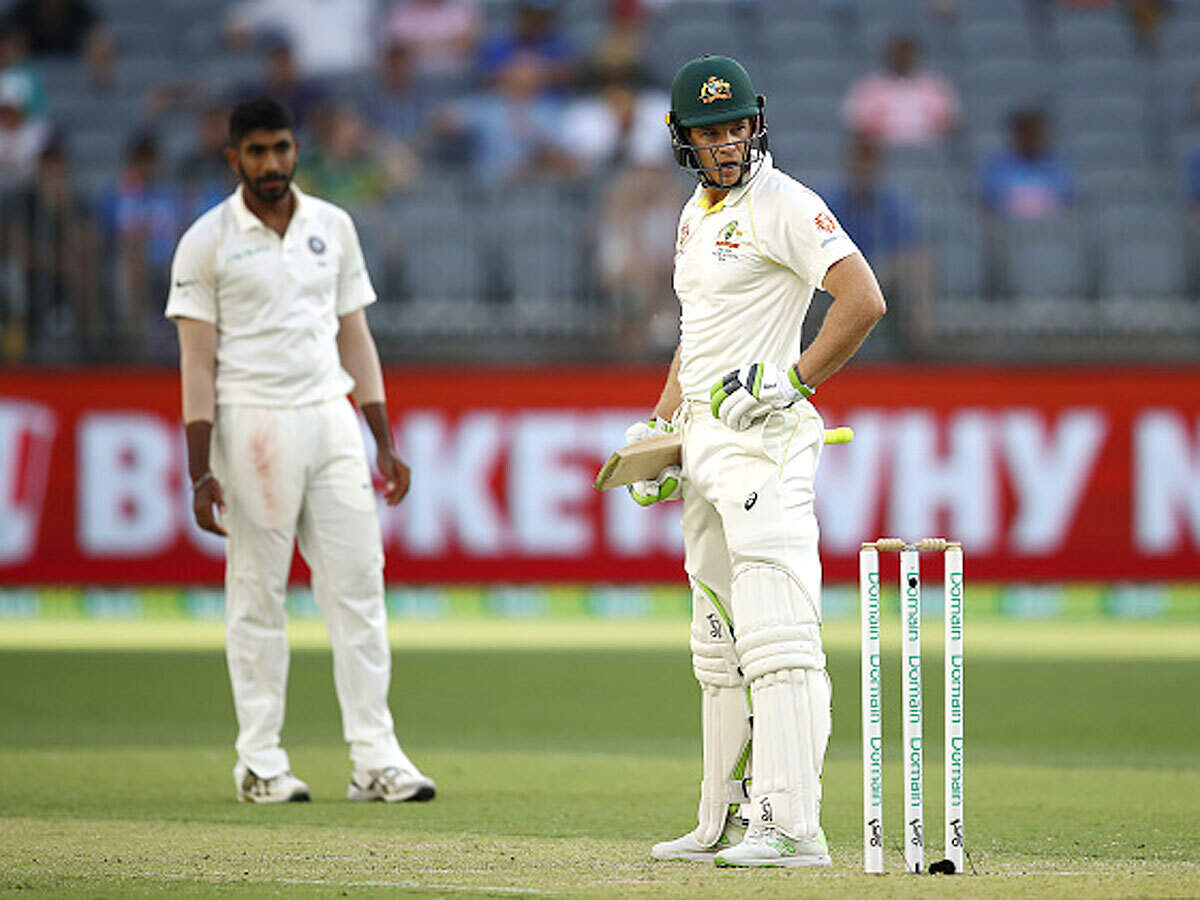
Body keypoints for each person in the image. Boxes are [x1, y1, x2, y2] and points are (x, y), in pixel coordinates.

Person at [629, 56, 885, 867]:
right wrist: (659, 428)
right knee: (717, 644)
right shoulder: (694, 214)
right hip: (705, 443)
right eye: (710, 131)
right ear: (682, 140)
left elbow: (864, 299)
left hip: (765, 442)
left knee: (778, 639)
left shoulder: (784, 202)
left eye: (738, 124)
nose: (729, 141)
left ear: (757, 121)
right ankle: (720, 820)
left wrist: (793, 379)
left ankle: (792, 827)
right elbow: (694, 336)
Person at [166, 98, 436, 804]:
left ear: (297, 150)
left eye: (282, 148)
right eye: (256, 152)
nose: (272, 164)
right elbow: (197, 364)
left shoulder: (332, 226)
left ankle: (375, 758)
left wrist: (383, 437)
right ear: (234, 159)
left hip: (330, 414)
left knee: (359, 587)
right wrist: (200, 468)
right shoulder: (208, 240)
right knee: (258, 594)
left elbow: (355, 335)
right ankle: (260, 762)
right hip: (251, 419)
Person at [841, 34, 960, 148]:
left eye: (907, 53)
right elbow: (855, 127)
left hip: (930, 159)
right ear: (888, 55)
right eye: (898, 53)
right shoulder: (867, 88)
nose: (903, 57)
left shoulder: (937, 87)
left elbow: (952, 126)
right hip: (881, 157)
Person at [980, 108, 1075, 220]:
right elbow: (990, 202)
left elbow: (1067, 200)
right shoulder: (997, 167)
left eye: (1035, 133)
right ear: (1017, 134)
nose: (1031, 138)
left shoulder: (1057, 165)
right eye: (1026, 132)